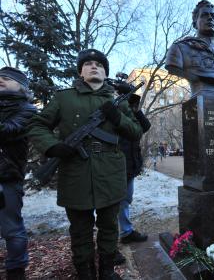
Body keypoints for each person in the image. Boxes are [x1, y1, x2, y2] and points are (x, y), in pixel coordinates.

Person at [28, 49, 142, 280]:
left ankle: (107, 272)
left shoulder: (115, 100)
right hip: (75, 171)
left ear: (105, 71)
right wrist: (53, 146)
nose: (94, 67)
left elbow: (136, 131)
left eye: (99, 65)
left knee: (109, 227)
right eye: (88, 64)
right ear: (81, 71)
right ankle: (85, 273)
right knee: (80, 230)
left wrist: (117, 117)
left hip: (110, 172)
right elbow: (37, 125)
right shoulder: (64, 97)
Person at [0, 67, 36, 280]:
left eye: (6, 78)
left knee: (12, 229)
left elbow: (7, 131)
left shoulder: (27, 110)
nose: (0, 80)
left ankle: (16, 270)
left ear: (21, 86)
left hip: (7, 177)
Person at [165, 0, 214, 97]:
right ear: (195, 23)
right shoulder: (179, 50)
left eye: (213, 16)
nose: (210, 18)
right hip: (199, 99)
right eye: (205, 15)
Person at [114, 94, 151, 265]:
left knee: (125, 200)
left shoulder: (132, 117)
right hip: (116, 165)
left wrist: (137, 110)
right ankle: (110, 244)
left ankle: (126, 232)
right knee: (112, 204)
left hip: (130, 165)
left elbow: (146, 126)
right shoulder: (116, 112)